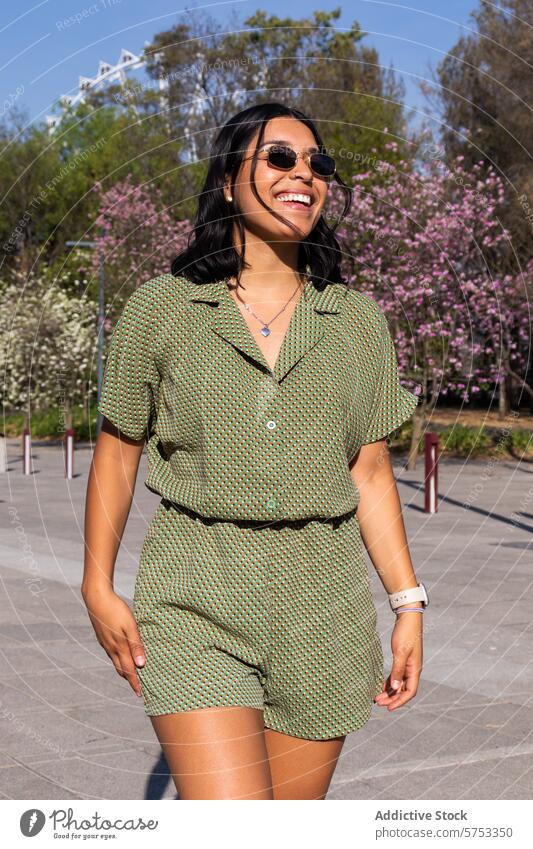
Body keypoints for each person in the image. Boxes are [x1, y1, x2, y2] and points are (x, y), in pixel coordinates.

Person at [82, 101, 427, 801]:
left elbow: (368, 471)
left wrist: (407, 603)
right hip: (194, 597)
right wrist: (96, 583)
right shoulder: (163, 308)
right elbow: (118, 451)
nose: (303, 173)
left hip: (323, 608)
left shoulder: (357, 321)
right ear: (226, 181)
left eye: (317, 163)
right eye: (278, 157)